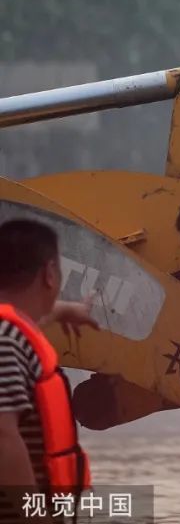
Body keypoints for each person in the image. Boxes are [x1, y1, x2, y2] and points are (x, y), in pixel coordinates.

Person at [1, 220, 96, 517]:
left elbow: (30, 319)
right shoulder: (6, 342)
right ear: (50, 274)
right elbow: (2, 436)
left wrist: (67, 310)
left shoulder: (11, 333)